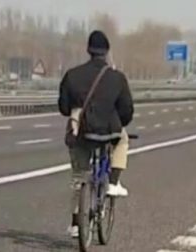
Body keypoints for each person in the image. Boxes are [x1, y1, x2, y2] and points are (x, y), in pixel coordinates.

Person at [58, 30, 134, 237]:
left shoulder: (72, 75)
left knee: (79, 176)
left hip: (81, 133)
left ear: (88, 50)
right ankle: (113, 183)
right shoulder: (117, 78)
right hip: (109, 133)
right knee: (123, 139)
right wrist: (118, 123)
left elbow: (64, 108)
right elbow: (127, 110)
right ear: (107, 52)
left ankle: (75, 224)